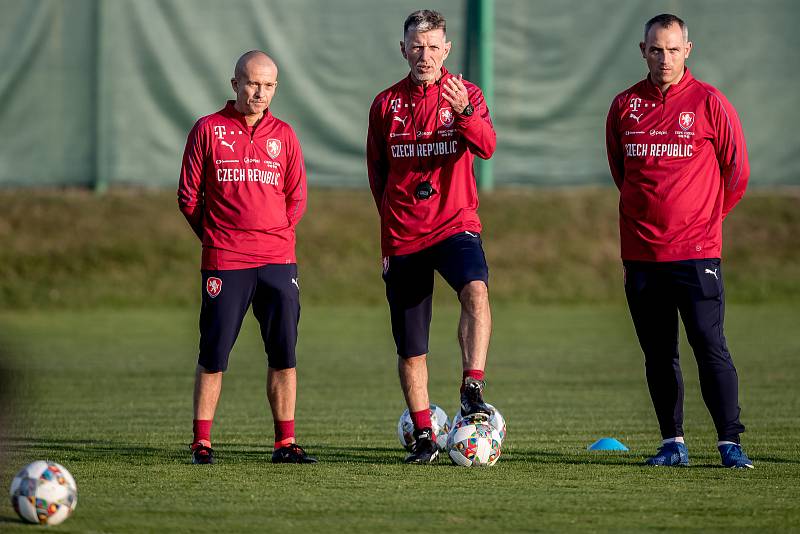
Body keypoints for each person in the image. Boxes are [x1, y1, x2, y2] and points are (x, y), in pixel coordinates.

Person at [606, 14, 753, 468]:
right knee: (658, 352)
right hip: (643, 255)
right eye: (655, 49)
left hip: (697, 253)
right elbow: (621, 171)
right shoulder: (624, 106)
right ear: (643, 51)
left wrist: (706, 219)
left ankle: (730, 442)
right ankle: (673, 442)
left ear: (687, 50)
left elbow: (738, 173)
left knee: (709, 345)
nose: (664, 58)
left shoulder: (710, 102)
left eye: (672, 49)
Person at [366, 10, 497, 464]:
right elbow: (378, 175)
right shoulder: (385, 104)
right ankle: (424, 435)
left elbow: (486, 145)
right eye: (416, 47)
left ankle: (471, 386)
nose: (425, 55)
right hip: (404, 235)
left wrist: (463, 112)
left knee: (476, 293)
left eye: (433, 46)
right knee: (411, 344)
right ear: (403, 49)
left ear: (447, 49)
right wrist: (387, 240)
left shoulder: (466, 94)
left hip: (455, 225)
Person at [178, 50, 315, 464]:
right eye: (253, 83)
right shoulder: (208, 130)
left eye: (269, 85)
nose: (260, 92)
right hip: (225, 261)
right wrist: (219, 238)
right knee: (214, 352)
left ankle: (285, 444)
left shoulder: (285, 135)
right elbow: (189, 197)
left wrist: (274, 235)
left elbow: (297, 198)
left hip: (277, 260)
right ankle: (202, 442)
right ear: (235, 82)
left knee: (284, 353)